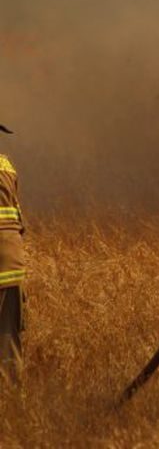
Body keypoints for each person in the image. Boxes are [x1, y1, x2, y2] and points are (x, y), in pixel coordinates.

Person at [0, 123, 25, 384]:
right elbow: (19, 220)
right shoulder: (6, 166)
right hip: (12, 262)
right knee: (8, 338)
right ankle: (15, 403)